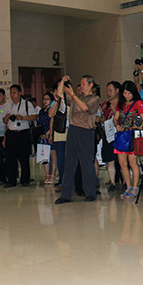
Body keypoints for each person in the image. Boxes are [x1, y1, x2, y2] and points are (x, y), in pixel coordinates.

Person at [55, 75, 101, 204]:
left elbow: (85, 108)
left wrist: (73, 95)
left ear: (91, 85)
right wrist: (62, 81)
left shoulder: (94, 98)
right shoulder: (77, 97)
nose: (81, 86)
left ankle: (90, 193)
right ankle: (65, 195)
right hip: (73, 130)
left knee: (86, 163)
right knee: (69, 163)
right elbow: (60, 95)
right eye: (80, 83)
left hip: (86, 132)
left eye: (84, 83)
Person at [114, 81, 143, 199]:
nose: (127, 96)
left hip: (133, 136)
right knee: (122, 163)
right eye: (125, 93)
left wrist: (138, 126)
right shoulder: (120, 104)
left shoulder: (138, 103)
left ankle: (135, 187)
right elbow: (115, 118)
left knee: (133, 163)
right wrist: (117, 125)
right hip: (121, 136)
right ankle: (128, 186)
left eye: (129, 93)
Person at [3, 85, 37, 188]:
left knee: (23, 157)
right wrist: (6, 118)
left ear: (20, 93)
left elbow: (35, 116)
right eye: (11, 93)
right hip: (11, 133)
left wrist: (22, 118)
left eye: (14, 93)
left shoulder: (27, 104)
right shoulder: (8, 106)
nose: (12, 95)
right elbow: (4, 121)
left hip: (22, 133)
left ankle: (25, 180)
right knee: (10, 158)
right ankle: (11, 180)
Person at [100, 81, 121, 191]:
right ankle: (112, 182)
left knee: (122, 159)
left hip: (120, 133)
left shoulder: (122, 104)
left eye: (111, 90)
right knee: (110, 159)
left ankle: (126, 182)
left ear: (117, 90)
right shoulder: (105, 104)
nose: (109, 93)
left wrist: (116, 111)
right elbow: (101, 119)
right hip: (108, 134)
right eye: (108, 91)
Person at [37, 92, 57, 183]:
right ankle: (47, 175)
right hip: (42, 135)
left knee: (53, 155)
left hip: (51, 134)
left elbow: (53, 122)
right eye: (44, 99)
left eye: (47, 99)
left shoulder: (52, 110)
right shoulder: (41, 111)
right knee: (44, 156)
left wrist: (49, 132)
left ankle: (53, 174)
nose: (45, 101)